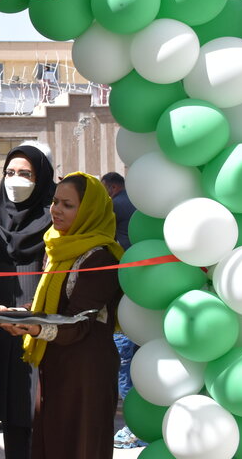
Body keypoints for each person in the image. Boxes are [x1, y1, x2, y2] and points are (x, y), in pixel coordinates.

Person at [0, 173, 124, 459]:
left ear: (88, 210)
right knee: (52, 443)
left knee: (79, 446)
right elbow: (52, 305)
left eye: (68, 204)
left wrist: (31, 327)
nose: (56, 210)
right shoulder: (57, 246)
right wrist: (21, 314)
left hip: (87, 371)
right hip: (55, 363)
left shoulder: (100, 257)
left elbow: (76, 323)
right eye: (55, 201)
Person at [0, 142, 56, 459]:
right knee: (11, 417)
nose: (15, 179)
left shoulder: (55, 221)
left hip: (42, 330)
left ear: (42, 179)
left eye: (25, 173)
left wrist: (31, 314)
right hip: (1, 332)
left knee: (42, 415)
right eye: (9, 172)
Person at [100, 172, 142, 449]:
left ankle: (133, 427)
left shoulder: (117, 205)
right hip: (137, 295)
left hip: (123, 294)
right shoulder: (137, 202)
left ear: (112, 187)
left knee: (124, 360)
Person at [100, 173, 135, 251]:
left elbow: (104, 230)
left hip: (125, 252)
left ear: (113, 187)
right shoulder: (135, 199)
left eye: (103, 189)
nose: (102, 193)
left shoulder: (114, 204)